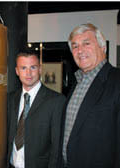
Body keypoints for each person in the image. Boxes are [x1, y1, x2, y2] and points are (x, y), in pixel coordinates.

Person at [58, 23, 120, 168]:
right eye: (75, 46)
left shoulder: (116, 81)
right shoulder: (78, 82)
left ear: (102, 47)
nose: (80, 50)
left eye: (86, 43)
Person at [7, 51, 66, 168]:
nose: (28, 73)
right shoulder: (10, 99)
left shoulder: (56, 101)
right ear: (17, 71)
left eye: (33, 67)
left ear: (40, 69)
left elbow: (57, 148)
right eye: (23, 68)